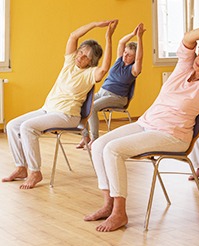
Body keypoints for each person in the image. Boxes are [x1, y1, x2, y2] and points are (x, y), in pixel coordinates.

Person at [84, 15, 199, 232]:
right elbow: (189, 38)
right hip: (146, 124)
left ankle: (119, 212)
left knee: (113, 150)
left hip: (172, 136)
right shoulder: (184, 68)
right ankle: (108, 204)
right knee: (98, 146)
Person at [2, 20, 118, 189]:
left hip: (67, 115)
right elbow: (73, 35)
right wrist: (94, 25)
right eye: (80, 52)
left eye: (86, 56)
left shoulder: (90, 74)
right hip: (47, 110)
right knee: (12, 125)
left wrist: (108, 37)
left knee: (27, 127)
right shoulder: (69, 63)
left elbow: (105, 67)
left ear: (91, 62)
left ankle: (35, 171)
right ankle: (21, 167)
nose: (80, 56)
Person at [76, 23, 145, 149]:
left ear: (134, 58)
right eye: (125, 52)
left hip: (118, 97)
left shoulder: (134, 69)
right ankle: (85, 136)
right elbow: (120, 42)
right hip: (103, 92)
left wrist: (139, 38)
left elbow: (140, 57)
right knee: (82, 103)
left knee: (92, 108)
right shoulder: (119, 60)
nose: (125, 55)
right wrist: (133, 34)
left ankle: (95, 139)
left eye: (129, 55)